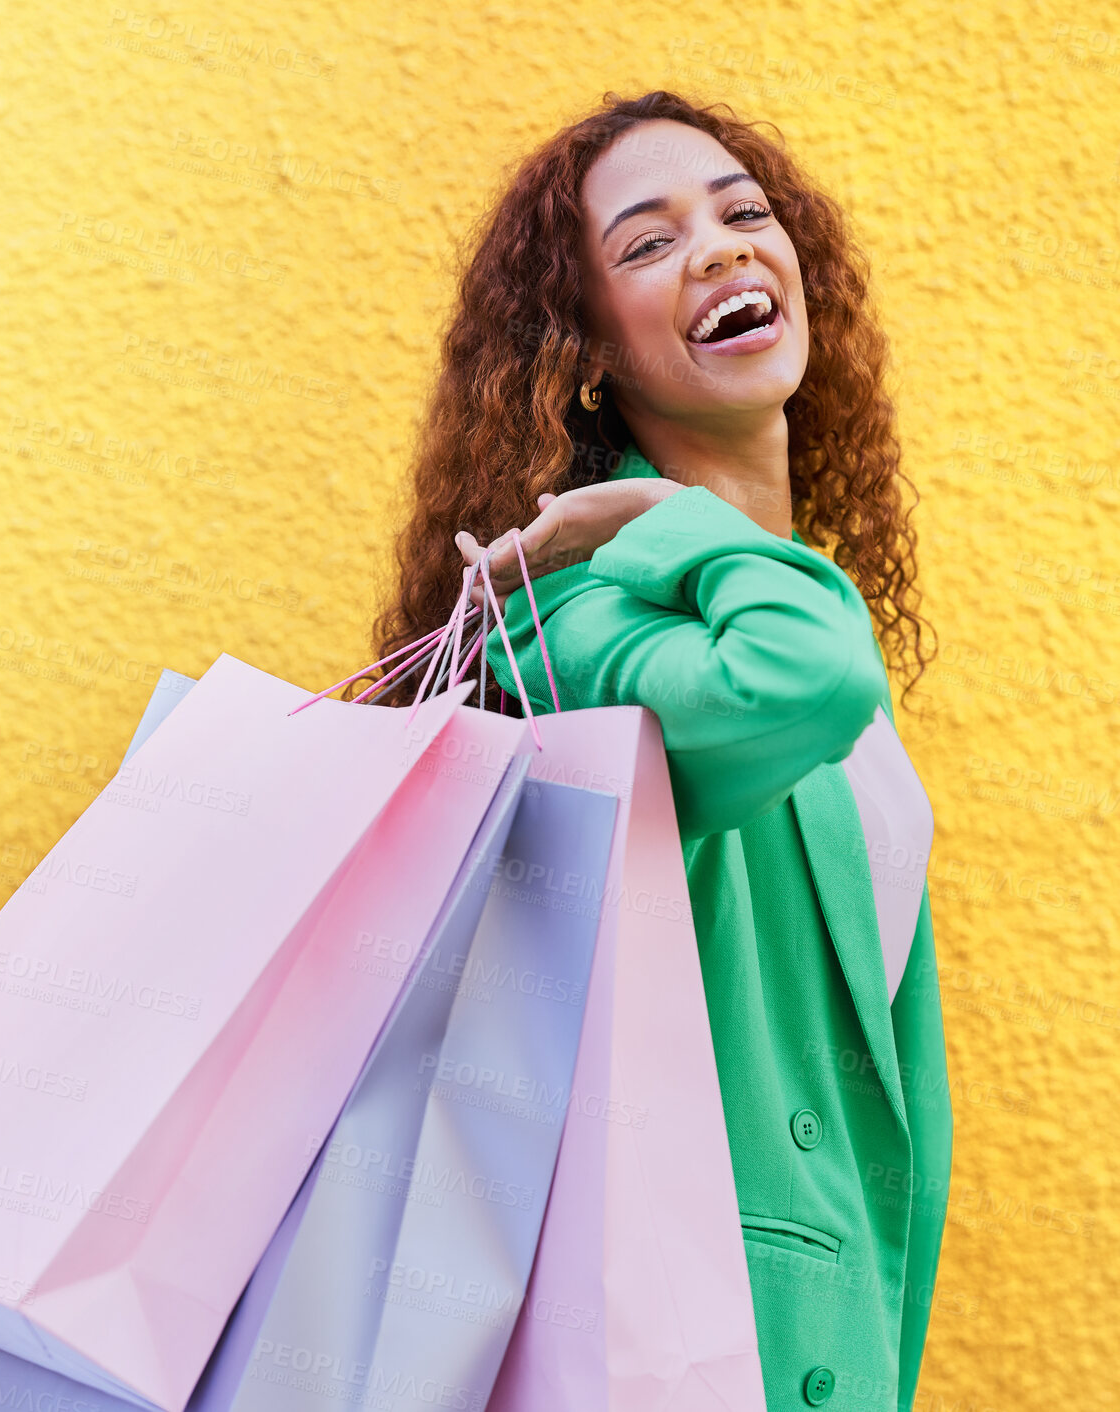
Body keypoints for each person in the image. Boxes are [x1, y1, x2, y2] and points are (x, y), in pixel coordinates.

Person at [366, 90, 952, 1411]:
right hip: (672, 1356)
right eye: (648, 243)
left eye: (746, 214)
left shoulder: (763, 595)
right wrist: (655, 520)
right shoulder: (579, 624)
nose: (723, 248)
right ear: (584, 356)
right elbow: (801, 678)